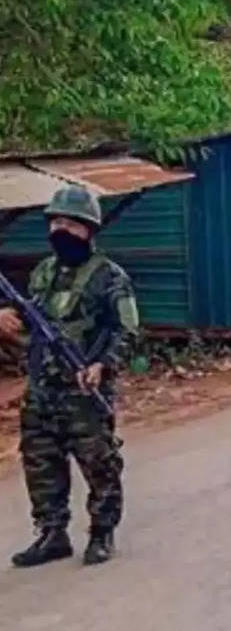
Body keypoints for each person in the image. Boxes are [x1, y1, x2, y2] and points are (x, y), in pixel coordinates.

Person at [0, 184, 137, 567]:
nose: (60, 230)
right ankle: (52, 533)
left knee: (99, 463)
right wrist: (6, 319)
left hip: (84, 388)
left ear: (89, 229)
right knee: (40, 460)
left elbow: (127, 330)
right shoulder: (43, 272)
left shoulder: (110, 277)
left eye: (70, 224)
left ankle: (101, 532)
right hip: (43, 388)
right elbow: (31, 318)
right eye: (55, 222)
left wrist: (102, 365)